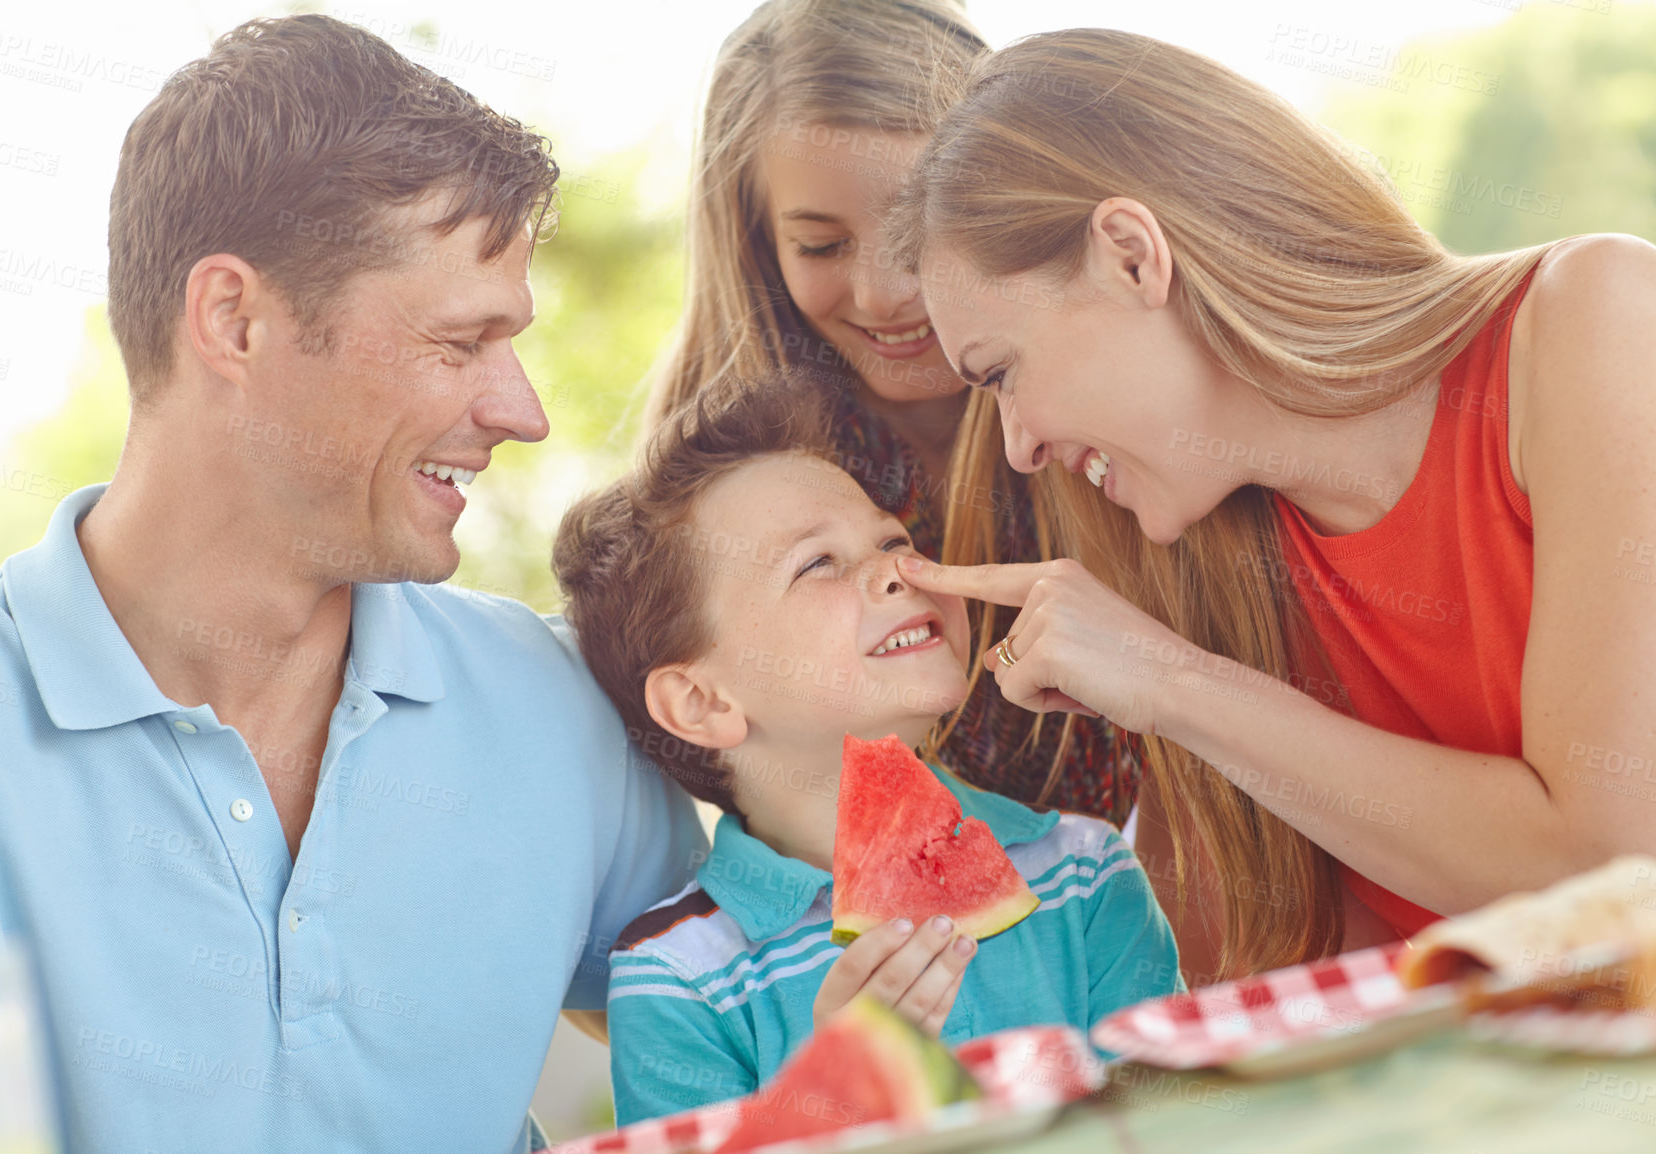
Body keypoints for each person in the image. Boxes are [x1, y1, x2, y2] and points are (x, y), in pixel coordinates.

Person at [0, 16, 704, 1152]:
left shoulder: (557, 703)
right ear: (235, 319)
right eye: (459, 342)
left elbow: (752, 1017)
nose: (521, 411)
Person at [885, 28, 1656, 982]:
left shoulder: (1598, 320)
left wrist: (1175, 682)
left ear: (1132, 256)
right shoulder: (1220, 569)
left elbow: (1618, 879)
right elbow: (1243, 1013)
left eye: (1000, 373)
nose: (1018, 447)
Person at [553, 379, 1182, 1123]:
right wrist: (827, 1103)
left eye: (893, 541)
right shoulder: (677, 977)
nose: (895, 569)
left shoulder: (1083, 874)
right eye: (817, 563)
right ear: (703, 703)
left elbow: (1171, 1127)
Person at [645, 0, 1138, 824]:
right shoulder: (717, 485)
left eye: (919, 228)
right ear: (758, 245)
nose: (883, 294)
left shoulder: (1135, 408)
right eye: (822, 245)